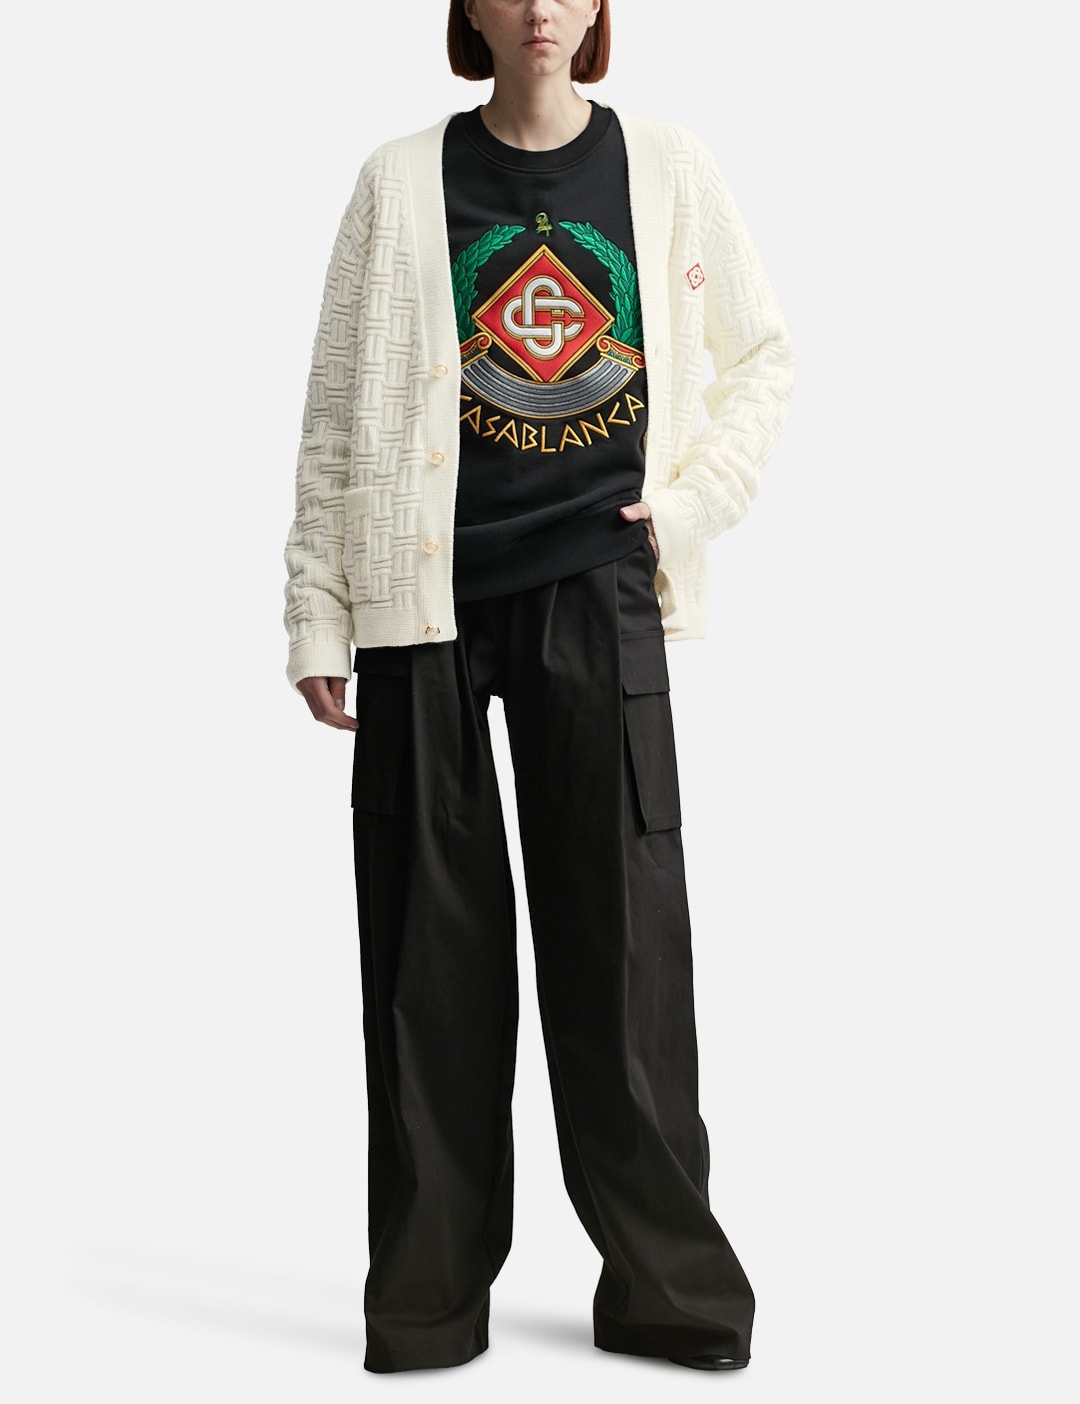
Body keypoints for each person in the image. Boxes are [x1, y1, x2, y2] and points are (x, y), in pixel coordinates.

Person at [283, 0, 795, 1376]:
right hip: (422, 599)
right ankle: (429, 1299)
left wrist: (690, 505)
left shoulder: (666, 166)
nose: (540, 9)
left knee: (624, 947)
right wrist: (318, 609)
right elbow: (335, 407)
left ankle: (668, 1290)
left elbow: (761, 357)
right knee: (426, 957)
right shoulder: (398, 181)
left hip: (599, 583)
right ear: (468, 8)